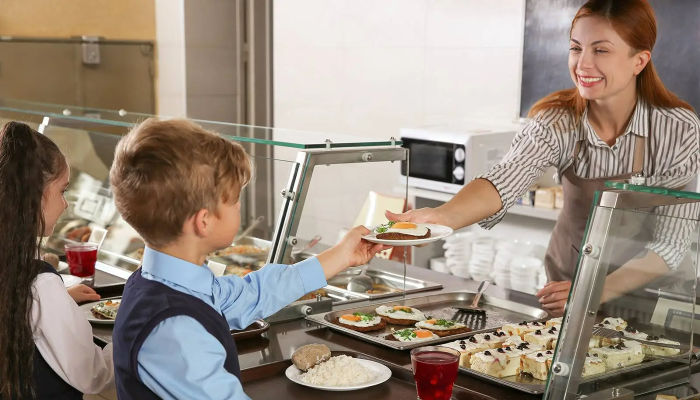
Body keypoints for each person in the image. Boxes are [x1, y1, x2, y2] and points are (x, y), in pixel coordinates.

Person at [389, 0, 699, 317]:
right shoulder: (558, 121)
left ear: (639, 61)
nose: (583, 64)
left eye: (601, 50)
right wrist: (443, 217)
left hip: (648, 300)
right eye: (576, 48)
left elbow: (670, 245)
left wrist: (591, 290)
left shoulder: (676, 129)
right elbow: (504, 179)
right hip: (569, 292)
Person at [110, 118, 386, 399]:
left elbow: (251, 294)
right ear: (203, 222)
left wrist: (341, 255)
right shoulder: (175, 331)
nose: (239, 207)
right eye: (235, 200)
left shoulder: (165, 281)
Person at [0, 121, 114, 399]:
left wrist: (59, 300)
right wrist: (131, 326)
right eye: (62, 191)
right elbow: (96, 375)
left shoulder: (32, 283)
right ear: (33, 194)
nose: (65, 205)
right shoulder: (40, 286)